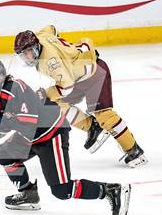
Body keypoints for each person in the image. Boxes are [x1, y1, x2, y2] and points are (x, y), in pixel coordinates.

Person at [0, 58, 131, 215]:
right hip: (30, 138)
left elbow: (29, 121)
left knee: (61, 190)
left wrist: (3, 124)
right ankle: (29, 194)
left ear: (0, 77)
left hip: (51, 134)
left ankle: (110, 191)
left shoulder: (15, 87)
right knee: (4, 154)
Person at [14, 26, 147, 168]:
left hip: (95, 74)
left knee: (104, 116)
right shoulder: (40, 36)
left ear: (34, 47)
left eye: (27, 53)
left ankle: (134, 150)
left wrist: (46, 93)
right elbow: (51, 28)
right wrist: (68, 52)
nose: (26, 58)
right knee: (53, 106)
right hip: (77, 76)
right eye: (22, 55)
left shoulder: (50, 62)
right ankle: (91, 127)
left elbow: (66, 87)